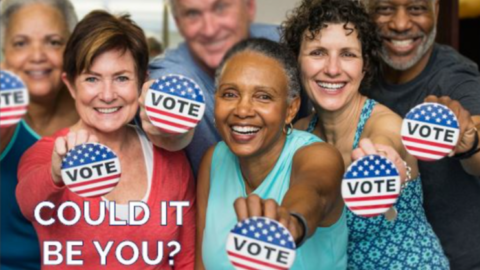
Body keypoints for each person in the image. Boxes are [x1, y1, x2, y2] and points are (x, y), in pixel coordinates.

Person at [16, 11, 195, 269]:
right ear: (71, 85)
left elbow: (185, 259)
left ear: (142, 82)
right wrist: (56, 172)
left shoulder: (171, 161)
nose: (108, 95)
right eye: (92, 79)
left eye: (122, 78)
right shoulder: (47, 154)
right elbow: (28, 203)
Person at [282, 0, 449, 268]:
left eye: (348, 54)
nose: (333, 69)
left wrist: (385, 160)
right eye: (318, 53)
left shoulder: (386, 124)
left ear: (365, 65)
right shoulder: (299, 134)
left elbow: (386, 143)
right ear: (297, 61)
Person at [196, 38, 347, 270]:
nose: (243, 110)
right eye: (230, 94)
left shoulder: (318, 154)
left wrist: (291, 222)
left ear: (291, 109)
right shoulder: (213, 160)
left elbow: (314, 190)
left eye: (263, 96)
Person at [363, 0, 480, 268]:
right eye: (385, 9)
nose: (401, 24)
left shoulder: (457, 77)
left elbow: (476, 133)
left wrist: (469, 140)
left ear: (436, 10)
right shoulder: (357, 72)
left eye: (416, 8)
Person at [144, 0, 283, 176]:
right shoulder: (173, 75)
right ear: (179, 23)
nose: (210, 30)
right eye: (192, 14)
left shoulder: (293, 43)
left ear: (249, 7)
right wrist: (167, 123)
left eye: (221, 8)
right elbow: (159, 92)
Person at [0, 0, 78, 268]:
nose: (37, 56)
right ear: (4, 55)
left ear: (73, 50)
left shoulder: (105, 112)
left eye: (53, 42)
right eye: (21, 43)